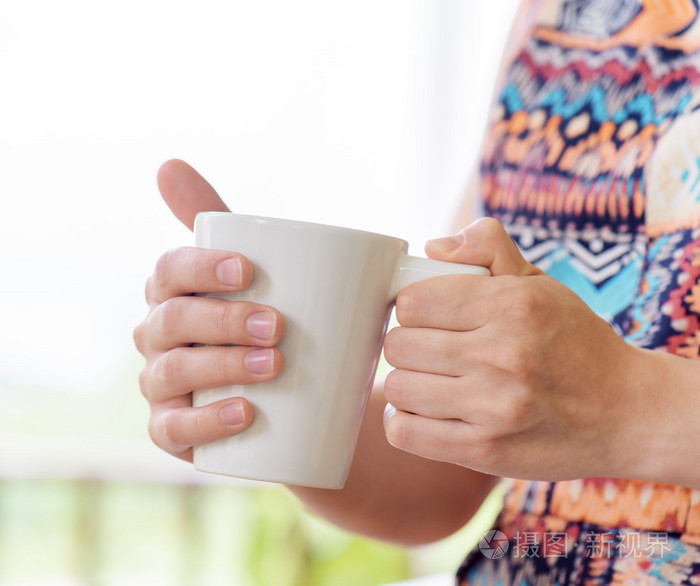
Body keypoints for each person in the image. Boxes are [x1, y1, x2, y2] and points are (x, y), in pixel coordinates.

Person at [133, 0, 700, 583]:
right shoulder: (558, 17)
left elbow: (598, 405)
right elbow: (443, 479)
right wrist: (276, 393)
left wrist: (628, 406)